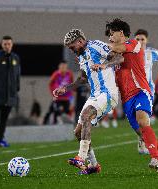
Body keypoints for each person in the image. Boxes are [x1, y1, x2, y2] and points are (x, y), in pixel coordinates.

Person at [93, 18, 158, 176]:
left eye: (112, 34)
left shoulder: (134, 44)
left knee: (142, 119)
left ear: (121, 33)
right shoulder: (115, 53)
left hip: (140, 91)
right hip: (126, 100)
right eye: (109, 35)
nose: (110, 37)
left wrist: (95, 46)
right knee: (143, 133)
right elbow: (113, 57)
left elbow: (116, 49)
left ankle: (154, 159)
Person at [53, 29, 123, 175]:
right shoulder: (82, 56)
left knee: (85, 116)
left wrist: (105, 65)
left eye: (72, 47)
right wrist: (65, 88)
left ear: (80, 42)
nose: (72, 51)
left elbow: (119, 58)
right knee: (78, 132)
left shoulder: (96, 46)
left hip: (108, 93)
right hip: (95, 95)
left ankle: (81, 158)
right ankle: (94, 165)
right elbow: (83, 79)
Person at [134, 29, 158, 153]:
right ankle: (141, 137)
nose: (140, 41)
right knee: (136, 117)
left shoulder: (151, 53)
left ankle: (144, 141)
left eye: (142, 39)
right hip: (133, 88)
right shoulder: (130, 52)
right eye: (137, 39)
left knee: (144, 115)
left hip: (147, 89)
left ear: (146, 40)